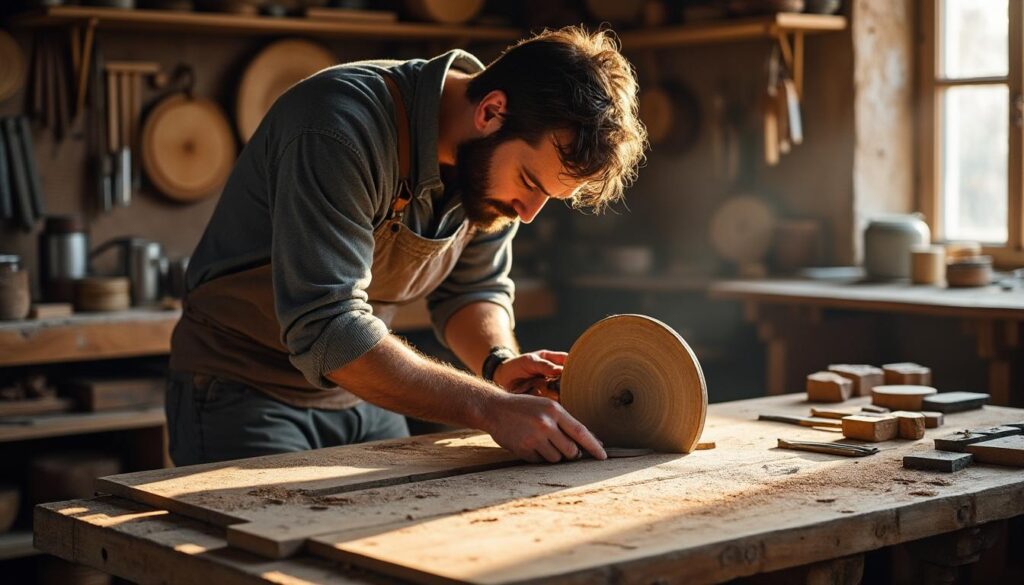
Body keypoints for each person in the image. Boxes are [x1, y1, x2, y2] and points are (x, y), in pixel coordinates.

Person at [166, 26, 647, 467]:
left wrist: (499, 364)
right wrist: (490, 407)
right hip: (240, 389)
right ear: (490, 111)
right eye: (529, 182)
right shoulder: (339, 128)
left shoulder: (494, 161)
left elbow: (472, 288)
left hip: (360, 394)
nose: (528, 213)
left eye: (549, 197)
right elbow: (326, 327)